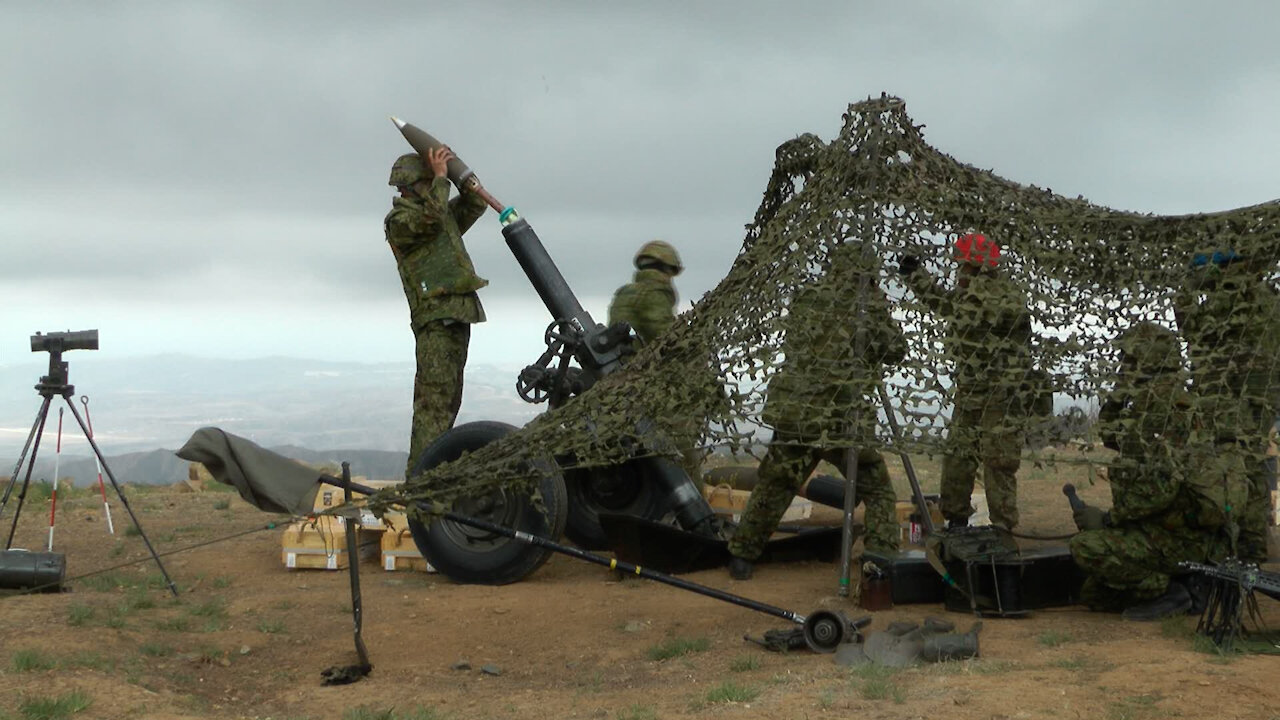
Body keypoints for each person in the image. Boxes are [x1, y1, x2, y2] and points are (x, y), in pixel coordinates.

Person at [727, 256, 905, 580]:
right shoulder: (868, 305)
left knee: (776, 483)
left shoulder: (806, 297)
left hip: (797, 410)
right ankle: (879, 559)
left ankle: (742, 555)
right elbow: (895, 350)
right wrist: (882, 310)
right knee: (876, 486)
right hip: (840, 415)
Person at [1068, 322, 1238, 620]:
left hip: (1183, 538)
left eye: (1128, 360)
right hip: (1177, 534)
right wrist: (1120, 394)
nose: (1122, 366)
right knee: (1093, 594)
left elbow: (1160, 490)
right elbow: (1113, 438)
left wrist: (1108, 520)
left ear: (1145, 361)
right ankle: (1186, 584)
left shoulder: (1160, 409)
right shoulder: (1164, 400)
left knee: (1086, 548)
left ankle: (1171, 590)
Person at [900, 233, 1033, 530]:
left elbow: (962, 312)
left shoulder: (1003, 295)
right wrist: (914, 276)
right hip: (972, 392)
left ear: (976, 267)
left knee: (998, 464)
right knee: (958, 459)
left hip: (1002, 397)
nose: (957, 273)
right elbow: (946, 304)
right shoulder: (971, 295)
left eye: (961, 266)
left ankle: (1002, 530)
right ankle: (956, 520)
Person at [385, 147, 489, 476]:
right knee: (434, 408)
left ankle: (434, 476)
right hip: (435, 322)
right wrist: (443, 179)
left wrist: (462, 178)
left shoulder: (438, 212)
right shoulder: (401, 221)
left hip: (456, 315)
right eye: (429, 180)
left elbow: (475, 204)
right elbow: (429, 220)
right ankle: (421, 486)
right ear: (418, 184)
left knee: (447, 403)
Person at [1174, 248, 1280, 562]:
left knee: (1234, 464)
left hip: (1229, 396)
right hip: (1265, 393)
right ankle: (1254, 539)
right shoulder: (1271, 297)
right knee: (1255, 461)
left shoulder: (1226, 300)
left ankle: (1243, 541)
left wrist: (1188, 288)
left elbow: (1191, 325)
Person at [608, 240, 707, 483]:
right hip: (648, 387)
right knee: (682, 451)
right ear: (668, 268)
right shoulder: (655, 292)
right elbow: (663, 336)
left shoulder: (624, 293)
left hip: (619, 382)